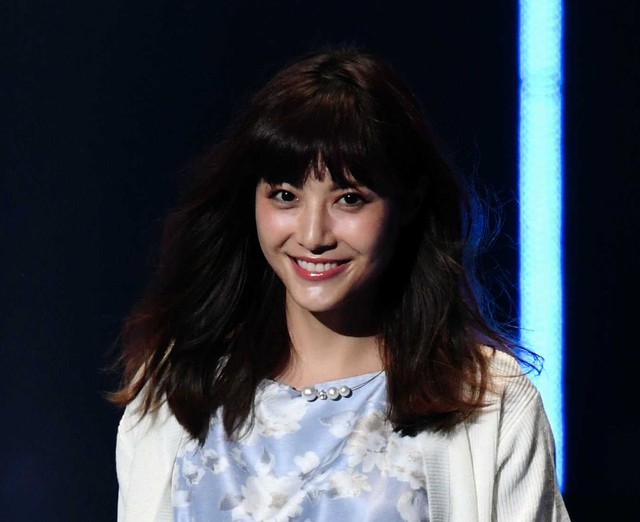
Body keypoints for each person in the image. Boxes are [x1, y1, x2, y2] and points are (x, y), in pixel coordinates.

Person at [113, 47, 571, 521]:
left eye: (349, 199)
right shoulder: (174, 392)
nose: (313, 235)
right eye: (285, 196)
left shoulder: (488, 401)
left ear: (409, 201)